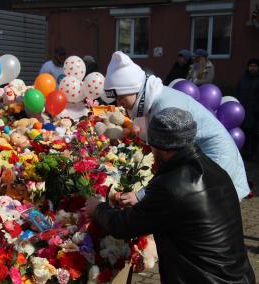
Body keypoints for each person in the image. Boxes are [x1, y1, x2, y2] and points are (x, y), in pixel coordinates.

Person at [85, 107, 255, 284]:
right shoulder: (215, 169)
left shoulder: (172, 186)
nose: (150, 149)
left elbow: (124, 226)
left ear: (162, 146)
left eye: (151, 143)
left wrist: (97, 208)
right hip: (238, 277)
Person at [103, 51, 249, 202]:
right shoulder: (152, 98)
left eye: (121, 97)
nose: (119, 103)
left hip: (215, 161)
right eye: (115, 98)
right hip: (205, 159)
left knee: (208, 210)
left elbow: (174, 166)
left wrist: (141, 196)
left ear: (135, 89)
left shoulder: (165, 109)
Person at [236, 58, 259, 160]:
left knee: (254, 133)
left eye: (254, 66)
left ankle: (254, 154)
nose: (252, 68)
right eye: (251, 66)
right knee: (244, 132)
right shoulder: (243, 79)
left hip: (255, 112)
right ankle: (244, 153)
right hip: (244, 110)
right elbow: (238, 92)